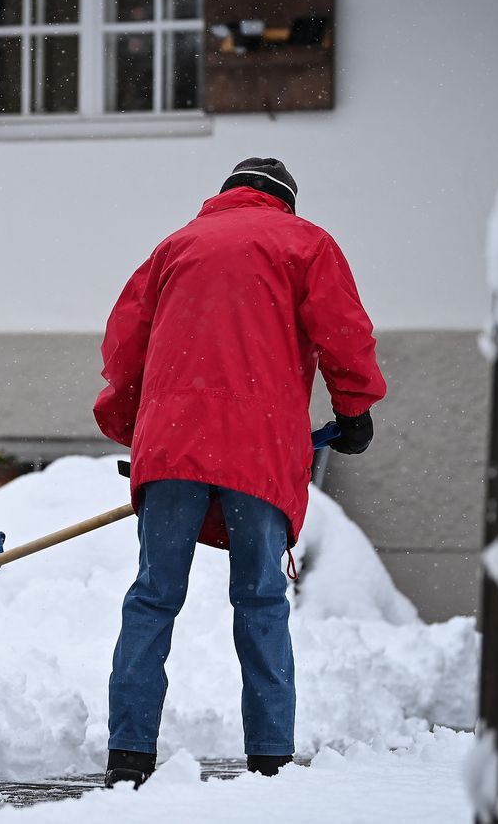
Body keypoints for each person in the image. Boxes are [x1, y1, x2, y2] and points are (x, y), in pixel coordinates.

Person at [94, 158, 387, 787]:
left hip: (172, 443)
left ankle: (128, 757)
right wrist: (355, 409)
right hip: (259, 449)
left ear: (225, 196)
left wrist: (134, 429)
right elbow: (343, 331)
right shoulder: (305, 243)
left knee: (151, 598)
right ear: (284, 201)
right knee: (260, 599)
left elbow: (125, 347)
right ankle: (271, 758)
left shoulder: (176, 246)